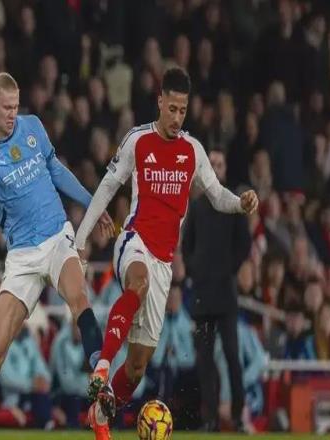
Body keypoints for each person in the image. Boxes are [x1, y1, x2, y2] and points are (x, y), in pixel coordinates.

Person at [75, 67, 258, 439]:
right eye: (171, 108)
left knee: (138, 368)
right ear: (160, 101)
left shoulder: (192, 150)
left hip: (164, 263)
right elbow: (107, 187)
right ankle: (102, 366)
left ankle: (101, 414)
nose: (177, 117)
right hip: (134, 240)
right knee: (137, 282)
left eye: (183, 110)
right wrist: (79, 241)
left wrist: (240, 203)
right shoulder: (138, 141)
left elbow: (216, 194)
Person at [0, 72, 113, 440]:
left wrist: (93, 204)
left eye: (16, 106)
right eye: (6, 107)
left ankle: (100, 378)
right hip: (23, 255)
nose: (12, 114)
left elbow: (55, 170)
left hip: (57, 235)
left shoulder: (33, 127)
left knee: (79, 297)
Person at [182, 148, 251, 432]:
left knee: (233, 357)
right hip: (202, 296)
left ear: (225, 169)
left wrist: (227, 270)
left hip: (224, 293)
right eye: (211, 164)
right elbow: (187, 246)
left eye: (219, 164)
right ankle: (210, 419)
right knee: (205, 362)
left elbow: (244, 244)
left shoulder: (234, 203)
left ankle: (237, 416)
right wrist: (196, 269)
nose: (215, 168)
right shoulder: (197, 207)